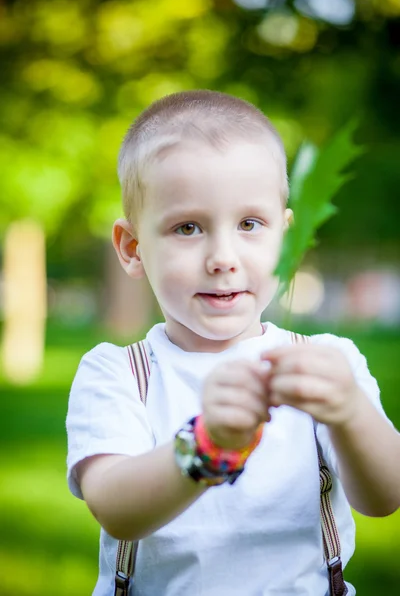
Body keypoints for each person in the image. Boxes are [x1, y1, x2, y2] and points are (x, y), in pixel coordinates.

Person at [66, 90, 400, 596]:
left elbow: (383, 497)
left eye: (249, 224)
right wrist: (206, 446)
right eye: (187, 227)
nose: (223, 257)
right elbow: (116, 508)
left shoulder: (326, 364)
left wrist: (350, 410)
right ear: (134, 249)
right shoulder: (119, 373)